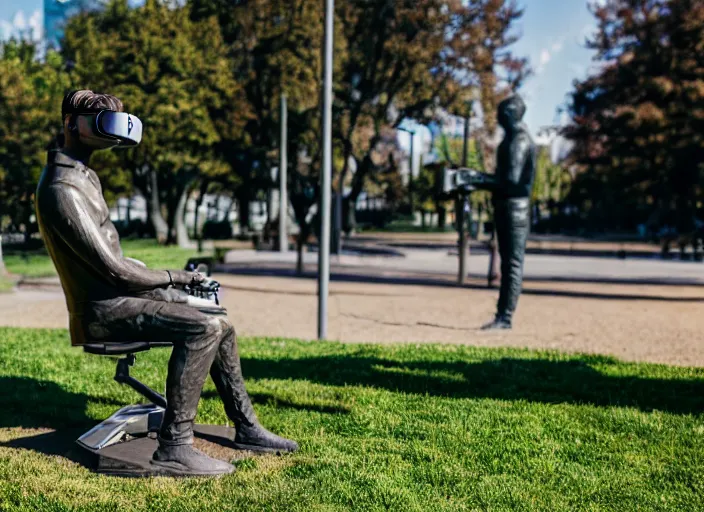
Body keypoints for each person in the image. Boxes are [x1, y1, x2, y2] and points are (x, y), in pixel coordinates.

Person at [35, 90, 297, 477]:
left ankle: (247, 427)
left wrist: (173, 288)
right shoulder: (63, 189)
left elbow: (119, 265)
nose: (112, 132)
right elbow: (115, 271)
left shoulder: (83, 176)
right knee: (202, 326)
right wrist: (177, 277)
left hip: (121, 296)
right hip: (105, 311)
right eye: (101, 121)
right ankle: (174, 447)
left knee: (216, 316)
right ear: (71, 124)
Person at [479, 94, 536, 330]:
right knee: (507, 262)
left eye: (502, 113)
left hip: (515, 208)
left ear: (513, 113)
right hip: (507, 206)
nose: (498, 118)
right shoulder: (511, 139)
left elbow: (511, 180)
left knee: (511, 263)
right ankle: (502, 314)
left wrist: (481, 180)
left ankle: (505, 317)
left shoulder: (519, 140)